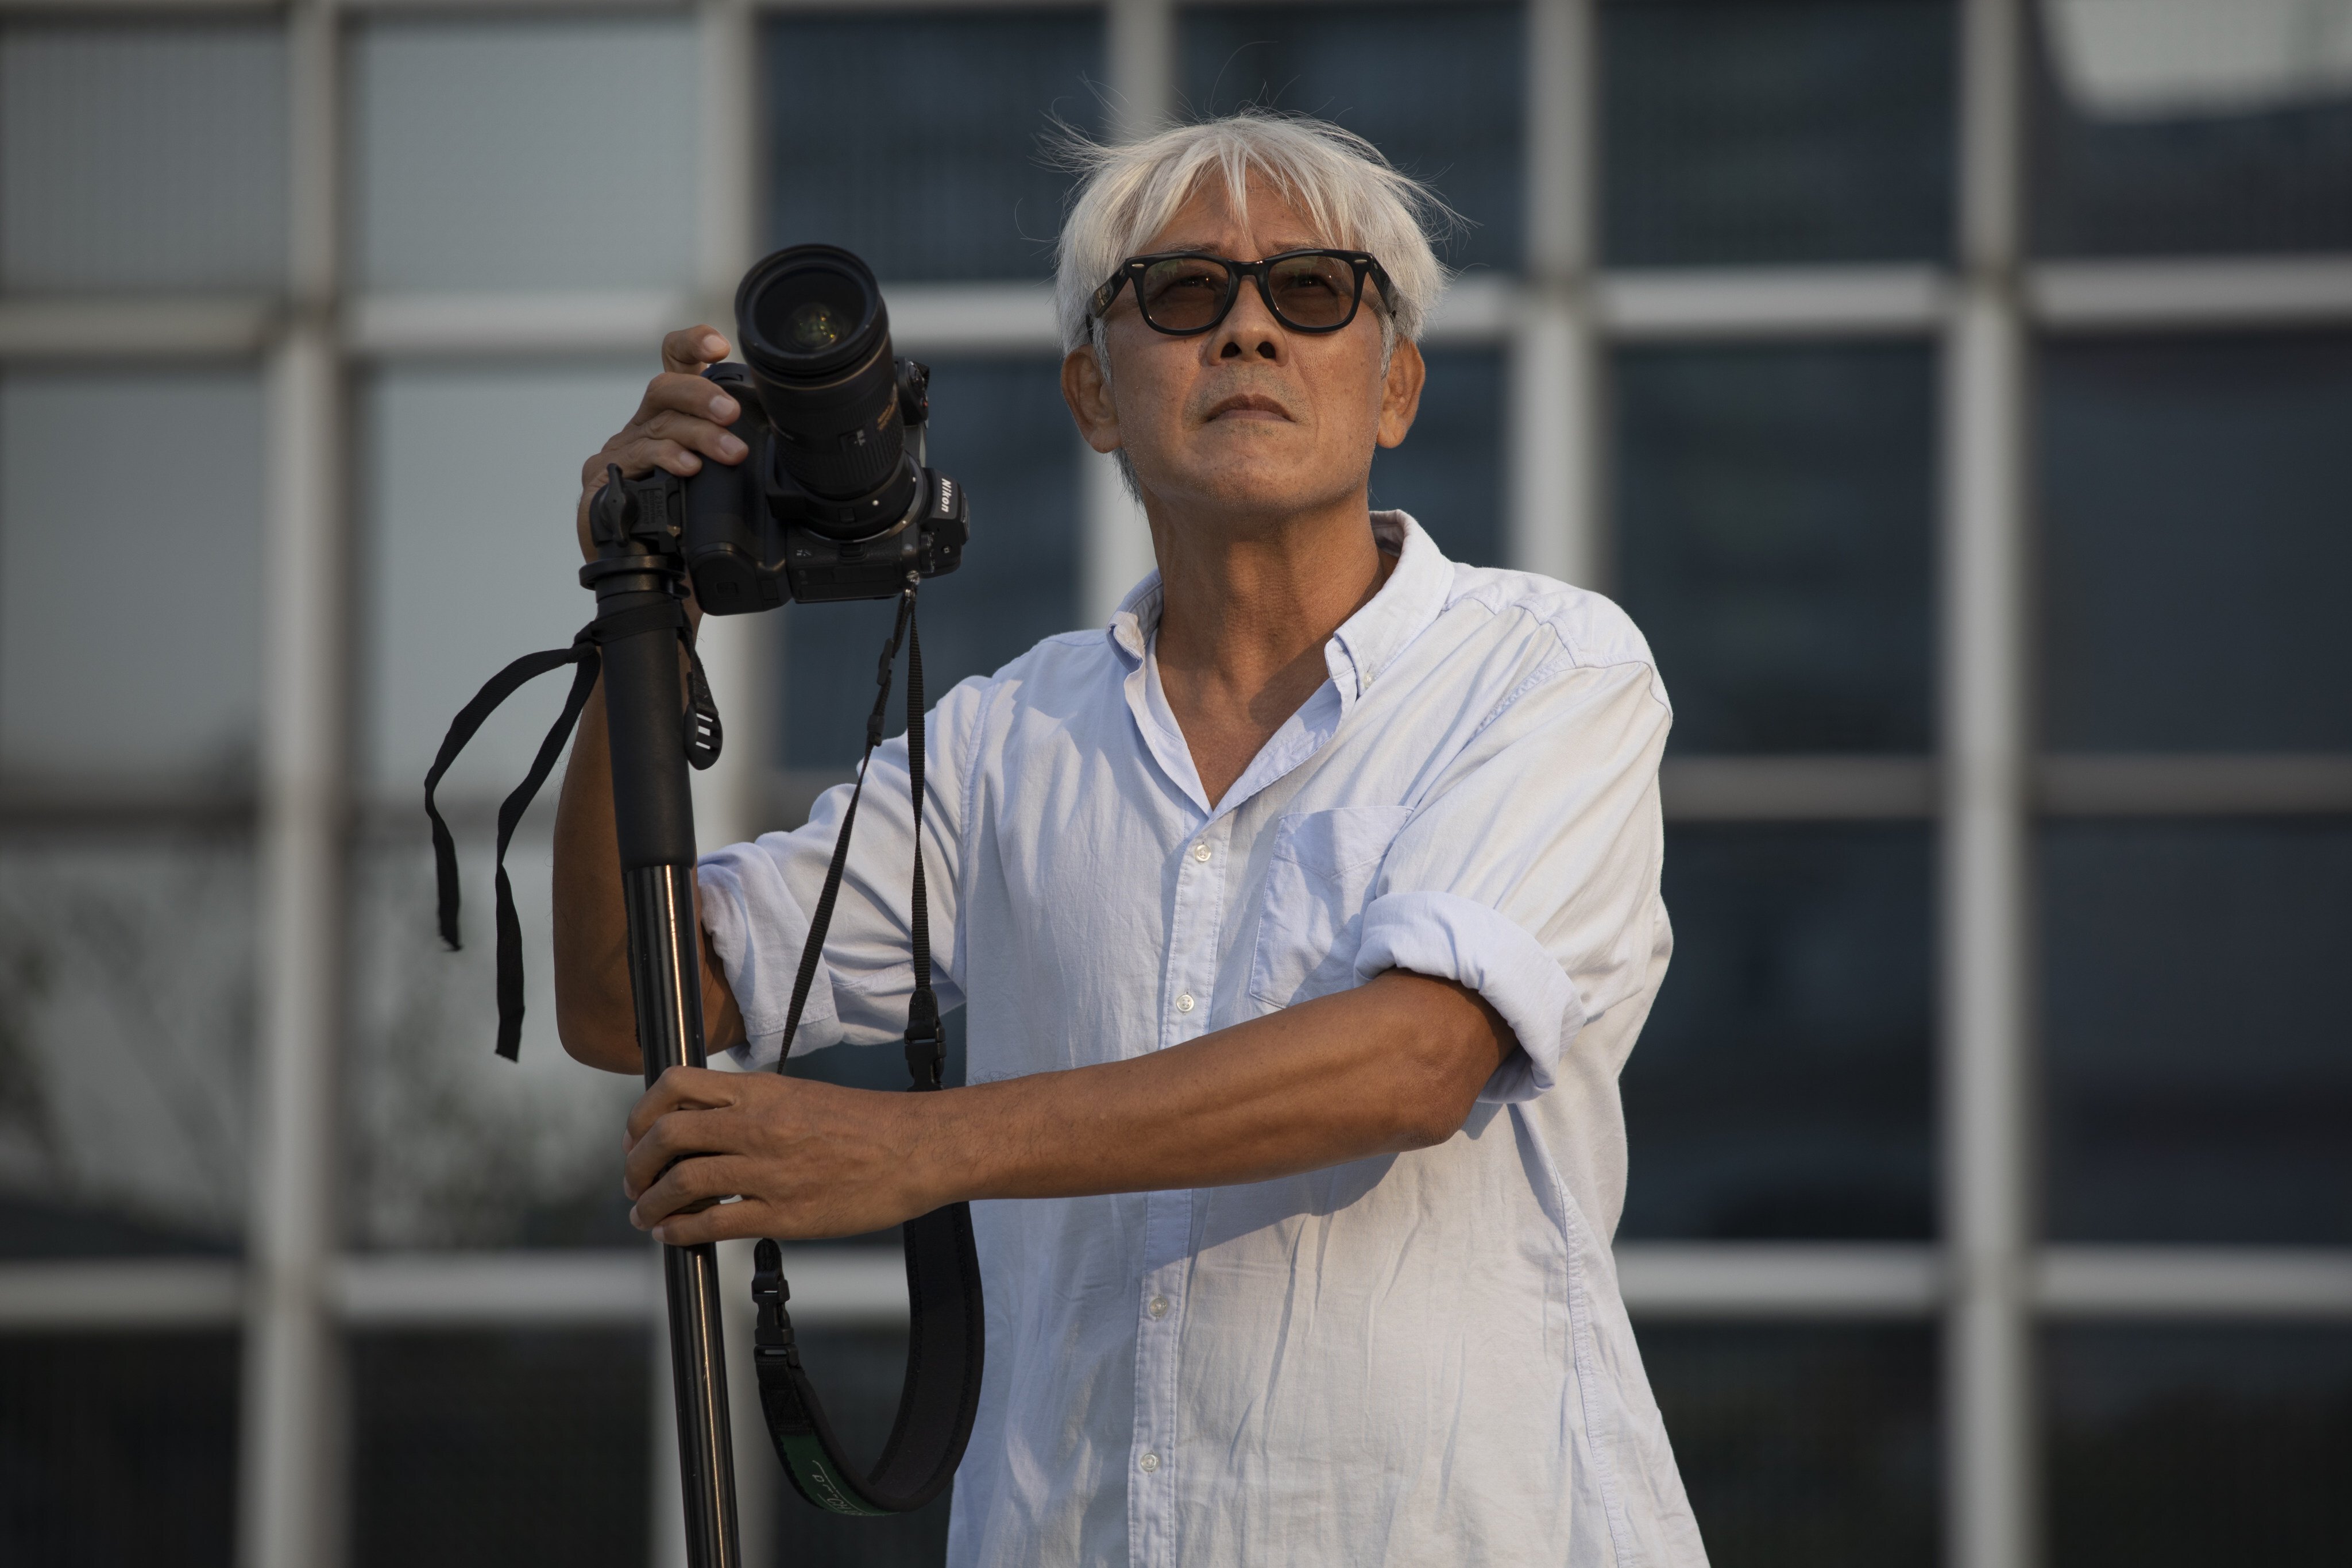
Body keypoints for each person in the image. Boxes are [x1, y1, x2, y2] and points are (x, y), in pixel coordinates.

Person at [553, 113, 1705, 1567]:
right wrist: (638, 603)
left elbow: (1416, 1058)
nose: (1244, 332)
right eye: (1178, 294)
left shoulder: (1547, 669)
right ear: (1092, 394)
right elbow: (621, 996)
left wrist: (918, 1147)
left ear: (1394, 383)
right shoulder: (1001, 741)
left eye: (1311, 291)